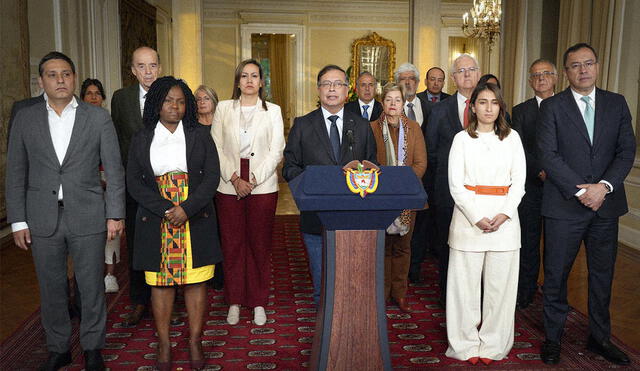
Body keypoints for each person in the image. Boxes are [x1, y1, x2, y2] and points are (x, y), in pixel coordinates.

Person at [6, 51, 125, 371]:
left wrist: (115, 213)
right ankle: (58, 348)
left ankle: (92, 347)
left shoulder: (97, 117)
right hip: (41, 215)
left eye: (66, 74)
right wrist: (17, 220)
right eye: (52, 74)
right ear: (41, 80)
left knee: (91, 285)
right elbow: (16, 171)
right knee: (51, 287)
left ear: (74, 78)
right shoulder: (25, 117)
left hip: (87, 213)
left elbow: (114, 170)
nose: (60, 80)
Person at [538, 43, 635, 366]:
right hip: (564, 206)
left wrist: (603, 187)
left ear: (597, 66)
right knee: (555, 276)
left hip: (605, 206)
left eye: (588, 63)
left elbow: (625, 151)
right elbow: (548, 155)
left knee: (602, 276)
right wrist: (582, 192)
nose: (583, 70)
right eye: (576, 65)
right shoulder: (552, 107)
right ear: (566, 72)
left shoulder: (616, 103)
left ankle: (600, 338)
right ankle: (553, 338)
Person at [126, 76, 222, 370]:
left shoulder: (199, 135)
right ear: (156, 104)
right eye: (168, 100)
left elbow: (211, 177)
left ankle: (195, 340)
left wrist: (187, 208)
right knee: (162, 283)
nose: (175, 106)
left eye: (181, 101)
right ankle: (165, 342)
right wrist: (168, 209)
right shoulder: (142, 138)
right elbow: (134, 182)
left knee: (195, 280)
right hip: (157, 218)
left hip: (195, 217)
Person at [445, 82, 526, 365]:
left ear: (500, 107)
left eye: (494, 102)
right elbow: (456, 185)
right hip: (469, 222)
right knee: (463, 288)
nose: (488, 108)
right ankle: (465, 344)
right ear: (473, 106)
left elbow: (519, 183)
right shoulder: (461, 139)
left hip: (505, 223)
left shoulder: (513, 138)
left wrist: (504, 214)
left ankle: (493, 345)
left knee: (499, 290)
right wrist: (476, 216)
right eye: (482, 102)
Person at [283, 64, 377, 305]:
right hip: (315, 217)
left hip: (353, 216)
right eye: (327, 84)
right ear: (318, 90)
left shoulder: (362, 126)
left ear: (347, 91)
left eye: (338, 84)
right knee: (322, 283)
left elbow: (372, 164)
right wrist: (312, 187)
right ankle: (324, 334)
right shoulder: (303, 125)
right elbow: (290, 167)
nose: (332, 89)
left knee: (352, 281)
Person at [212, 59, 285, 326]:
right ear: (238, 81)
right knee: (232, 245)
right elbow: (216, 147)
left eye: (255, 76)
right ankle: (233, 301)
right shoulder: (223, 108)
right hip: (228, 184)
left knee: (259, 245)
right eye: (244, 76)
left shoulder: (273, 111)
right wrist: (234, 177)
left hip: (262, 185)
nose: (250, 81)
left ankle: (257, 302)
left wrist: (252, 180)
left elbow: (276, 150)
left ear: (262, 81)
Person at [111, 46, 161, 327]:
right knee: (138, 244)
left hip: (168, 186)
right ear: (132, 70)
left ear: (159, 67)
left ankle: (169, 300)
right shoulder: (121, 99)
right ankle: (140, 300)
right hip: (133, 187)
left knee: (168, 244)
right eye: (141, 66)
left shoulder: (172, 95)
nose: (147, 72)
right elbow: (116, 143)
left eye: (152, 66)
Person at [425, 53, 481, 307]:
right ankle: (448, 297)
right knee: (448, 246)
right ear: (454, 78)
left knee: (479, 248)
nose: (467, 74)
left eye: (471, 69)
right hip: (447, 192)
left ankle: (476, 298)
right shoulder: (439, 110)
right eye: (461, 70)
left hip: (484, 193)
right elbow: (431, 151)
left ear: (478, 74)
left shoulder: (491, 106)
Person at [369, 83, 426, 312]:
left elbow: (421, 163)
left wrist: (402, 186)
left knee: (402, 246)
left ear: (404, 104)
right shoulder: (371, 128)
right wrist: (385, 188)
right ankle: (381, 293)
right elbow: (368, 163)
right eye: (389, 100)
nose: (393, 104)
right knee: (382, 247)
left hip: (406, 197)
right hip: (379, 198)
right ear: (383, 103)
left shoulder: (414, 128)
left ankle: (400, 293)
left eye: (398, 100)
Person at [511, 59, 557, 309]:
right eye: (536, 75)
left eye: (546, 74)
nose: (541, 79)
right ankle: (525, 292)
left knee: (555, 245)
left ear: (555, 78)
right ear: (530, 81)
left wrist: (557, 174)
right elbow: (518, 148)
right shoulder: (521, 110)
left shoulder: (567, 106)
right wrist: (539, 171)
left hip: (561, 189)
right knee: (528, 244)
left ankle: (552, 295)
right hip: (530, 188)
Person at [81, 78, 121, 293]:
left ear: (103, 98)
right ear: (82, 97)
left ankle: (110, 274)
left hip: (108, 180)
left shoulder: (109, 122)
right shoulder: (75, 123)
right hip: (84, 184)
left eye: (97, 93)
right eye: (89, 93)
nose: (93, 97)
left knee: (110, 230)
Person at [395, 62, 433, 127]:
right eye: (403, 79)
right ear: (397, 84)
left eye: (411, 78)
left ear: (417, 82)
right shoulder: (392, 107)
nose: (407, 82)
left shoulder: (431, 108)